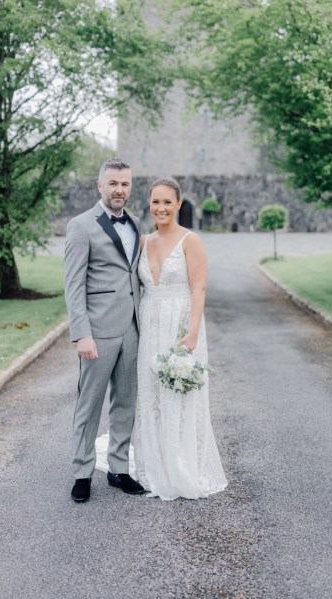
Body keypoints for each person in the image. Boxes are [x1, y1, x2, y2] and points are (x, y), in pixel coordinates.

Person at [132, 176, 227, 500]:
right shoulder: (143, 242)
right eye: (155, 202)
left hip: (181, 328)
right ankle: (153, 463)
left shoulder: (191, 240)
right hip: (150, 328)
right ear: (149, 204)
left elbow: (199, 287)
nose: (160, 208)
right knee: (153, 396)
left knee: (180, 395)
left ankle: (183, 465)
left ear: (178, 205)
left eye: (167, 202)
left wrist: (193, 332)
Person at [65, 158, 145, 502]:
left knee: (125, 401)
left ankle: (118, 467)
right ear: (100, 185)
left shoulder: (137, 223)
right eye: (113, 183)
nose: (119, 190)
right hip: (97, 331)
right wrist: (82, 333)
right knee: (89, 403)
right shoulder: (81, 225)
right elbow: (73, 284)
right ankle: (82, 472)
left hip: (132, 329)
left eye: (125, 184)